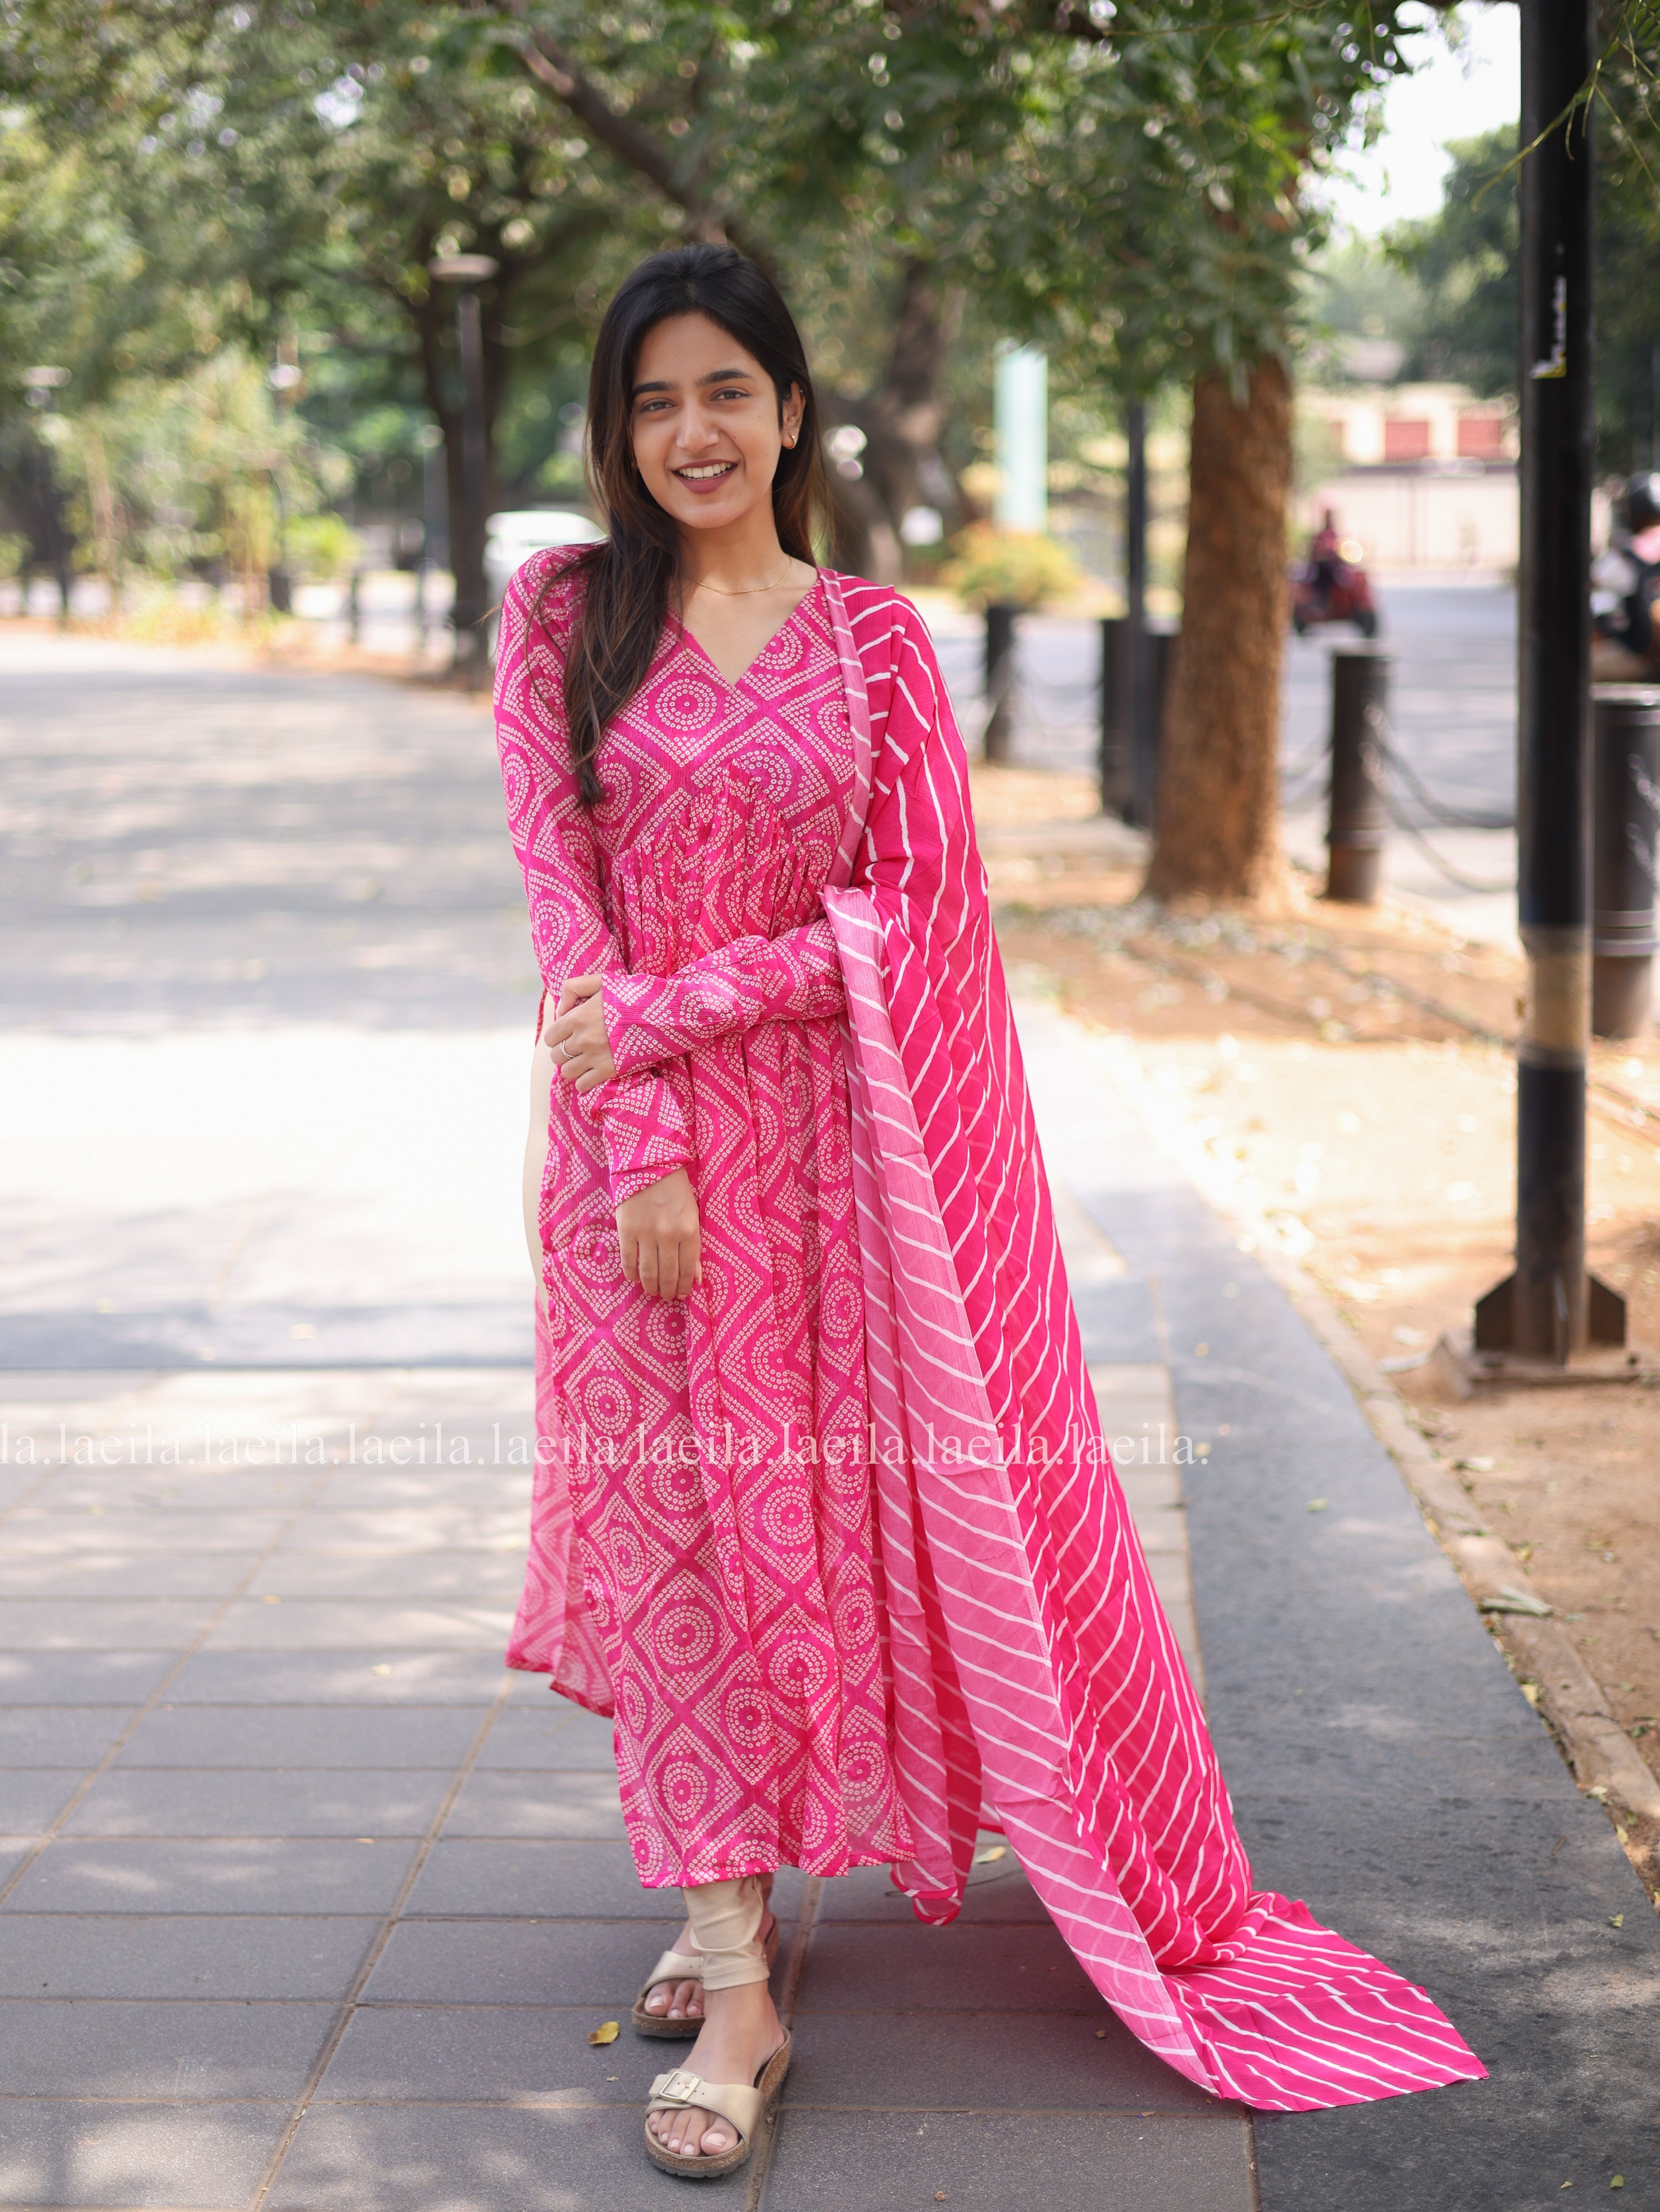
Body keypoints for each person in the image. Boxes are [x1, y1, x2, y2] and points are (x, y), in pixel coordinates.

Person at [493, 243, 1483, 2182]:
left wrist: (688, 1008)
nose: (691, 430)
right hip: (638, 1176)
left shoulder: (874, 644)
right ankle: (733, 1961)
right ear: (621, 431)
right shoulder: (562, 617)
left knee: (808, 1534)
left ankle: (757, 1896)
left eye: (726, 391)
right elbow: (563, 911)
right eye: (652, 400)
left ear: (792, 410)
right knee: (678, 1533)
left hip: (849, 1177)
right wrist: (646, 1149)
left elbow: (924, 931)